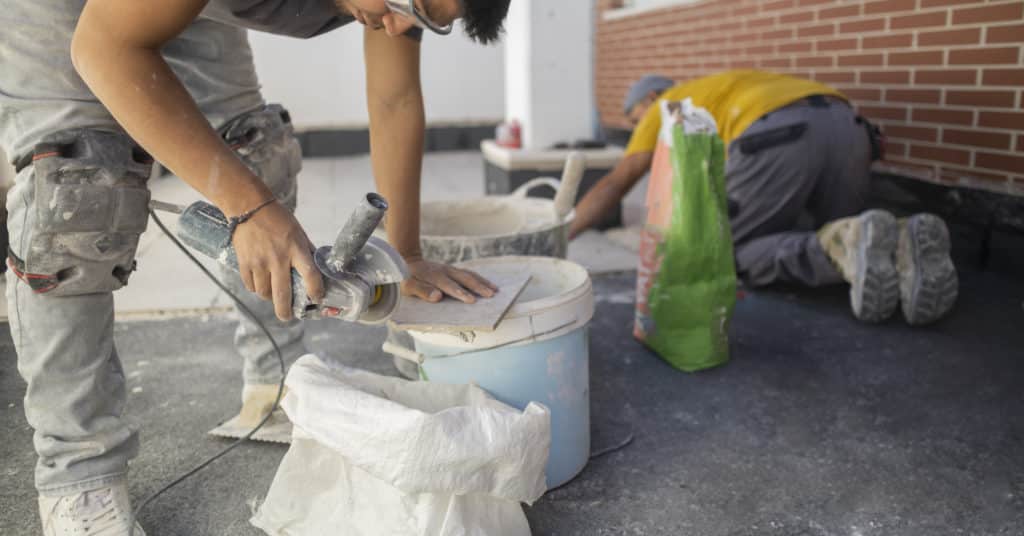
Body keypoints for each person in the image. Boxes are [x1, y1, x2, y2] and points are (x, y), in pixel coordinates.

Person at [0, 0, 511, 533]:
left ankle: (278, 386)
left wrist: (405, 255)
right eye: (415, 4)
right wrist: (248, 207)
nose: (404, 26)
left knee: (252, 151)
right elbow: (105, 44)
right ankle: (79, 473)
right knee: (78, 198)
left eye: (429, 21)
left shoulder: (398, 9)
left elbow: (395, 97)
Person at [571, 70, 957, 326]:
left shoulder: (664, 104)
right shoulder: (723, 85)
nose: (640, 127)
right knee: (865, 235)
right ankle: (905, 240)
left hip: (778, 135)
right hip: (849, 127)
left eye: (636, 120)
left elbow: (616, 183)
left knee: (729, 250)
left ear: (651, 97)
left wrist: (563, 231)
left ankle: (844, 244)